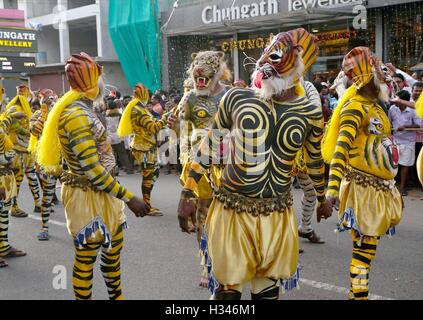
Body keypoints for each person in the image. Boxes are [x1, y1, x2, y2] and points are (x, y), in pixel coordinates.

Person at [178, 28, 332, 300]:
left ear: (299, 62)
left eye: (275, 55)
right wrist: (187, 192)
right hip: (232, 211)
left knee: (266, 291)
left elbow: (314, 160)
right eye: (264, 54)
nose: (263, 63)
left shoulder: (309, 112)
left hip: (276, 214)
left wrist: (322, 198)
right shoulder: (237, 98)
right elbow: (207, 146)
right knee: (228, 291)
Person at [37, 52, 148, 300]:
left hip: (104, 193)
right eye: (99, 76)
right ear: (92, 79)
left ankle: (116, 297)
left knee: (113, 249)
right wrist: (130, 198)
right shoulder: (76, 115)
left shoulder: (81, 109)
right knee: (87, 257)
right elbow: (93, 171)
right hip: (87, 196)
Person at [323, 47, 404, 300]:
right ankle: (359, 297)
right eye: (378, 69)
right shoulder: (355, 107)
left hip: (380, 190)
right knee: (363, 252)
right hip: (361, 191)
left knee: (367, 252)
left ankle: (358, 296)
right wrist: (332, 190)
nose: (385, 74)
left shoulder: (377, 108)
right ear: (366, 74)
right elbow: (340, 151)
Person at [175, 50, 232, 288]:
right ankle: (207, 266)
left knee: (228, 219)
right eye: (197, 67)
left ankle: (229, 265)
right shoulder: (189, 99)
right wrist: (187, 160)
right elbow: (183, 133)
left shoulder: (230, 96)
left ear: (218, 72)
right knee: (202, 219)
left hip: (228, 167)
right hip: (200, 168)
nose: (200, 73)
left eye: (207, 69)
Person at [118, 83, 172, 216]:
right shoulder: (138, 110)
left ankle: (146, 203)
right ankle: (146, 206)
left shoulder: (140, 108)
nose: (150, 97)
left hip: (147, 147)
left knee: (154, 173)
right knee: (148, 176)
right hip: (143, 148)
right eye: (148, 95)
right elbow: (153, 127)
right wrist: (165, 118)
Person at [5, 85, 41, 218]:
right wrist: (30, 131)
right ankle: (14, 207)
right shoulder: (15, 109)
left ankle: (38, 203)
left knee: (31, 176)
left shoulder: (24, 108)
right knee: (18, 180)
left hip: (26, 149)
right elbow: (13, 127)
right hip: (16, 151)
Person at [29, 89, 59, 240]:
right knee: (47, 196)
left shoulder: (62, 115)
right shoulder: (36, 115)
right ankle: (45, 227)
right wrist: (44, 113)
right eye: (47, 100)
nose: (50, 102)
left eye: (52, 99)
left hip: (66, 162)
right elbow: (34, 131)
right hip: (47, 162)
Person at [0, 112, 28, 267]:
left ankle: (3, 246)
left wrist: (12, 115)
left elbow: (4, 124)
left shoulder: (1, 126)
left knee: (4, 213)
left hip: (5, 175)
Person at [388, 90, 421, 196]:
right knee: (392, 164)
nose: (394, 102)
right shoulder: (392, 109)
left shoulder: (413, 110)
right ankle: (391, 185)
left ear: (403, 101)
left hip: (408, 141)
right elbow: (389, 122)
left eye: (397, 100)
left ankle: (402, 187)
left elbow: (418, 125)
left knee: (405, 165)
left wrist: (406, 127)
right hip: (395, 140)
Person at [105, 99, 132, 175]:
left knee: (112, 155)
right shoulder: (120, 115)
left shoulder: (105, 115)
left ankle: (114, 170)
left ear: (108, 107)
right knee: (122, 154)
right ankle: (129, 169)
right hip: (119, 137)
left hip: (109, 137)